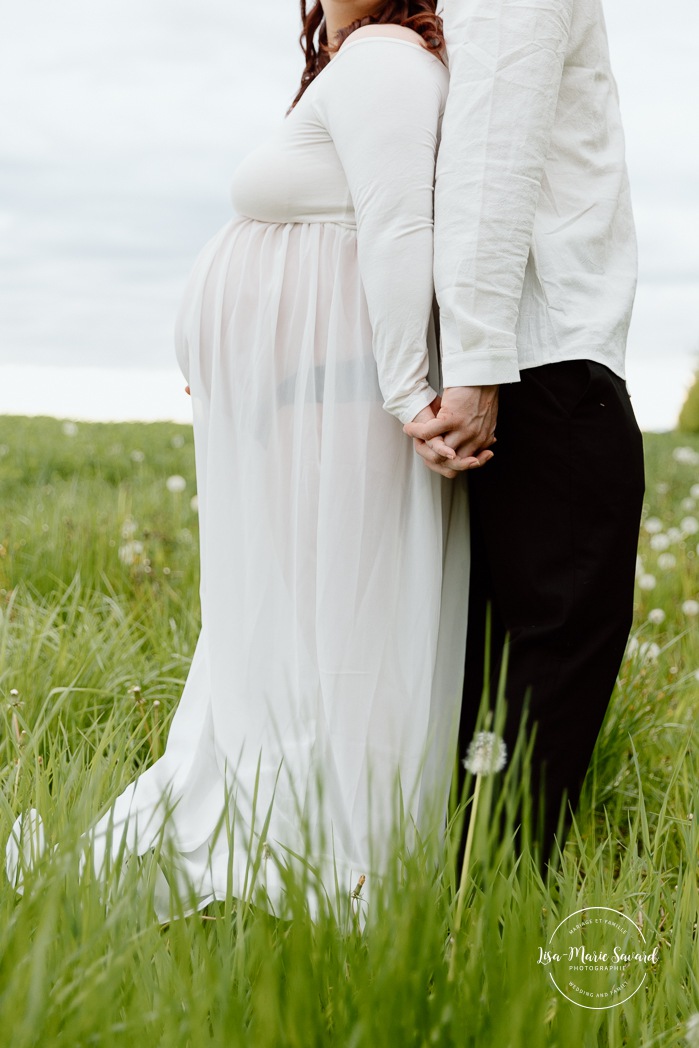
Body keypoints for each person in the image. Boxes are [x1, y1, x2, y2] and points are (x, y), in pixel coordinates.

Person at [7, 2, 477, 925]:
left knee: (330, 615)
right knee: (288, 616)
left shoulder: (384, 61)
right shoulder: (365, 63)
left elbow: (393, 232)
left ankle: (333, 847)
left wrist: (405, 390)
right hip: (309, 410)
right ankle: (291, 817)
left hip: (349, 406)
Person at [405, 0, 645, 871]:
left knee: (486, 650)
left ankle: (457, 881)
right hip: (536, 363)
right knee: (556, 634)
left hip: (508, 359)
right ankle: (492, 896)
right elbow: (490, 157)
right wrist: (476, 367)